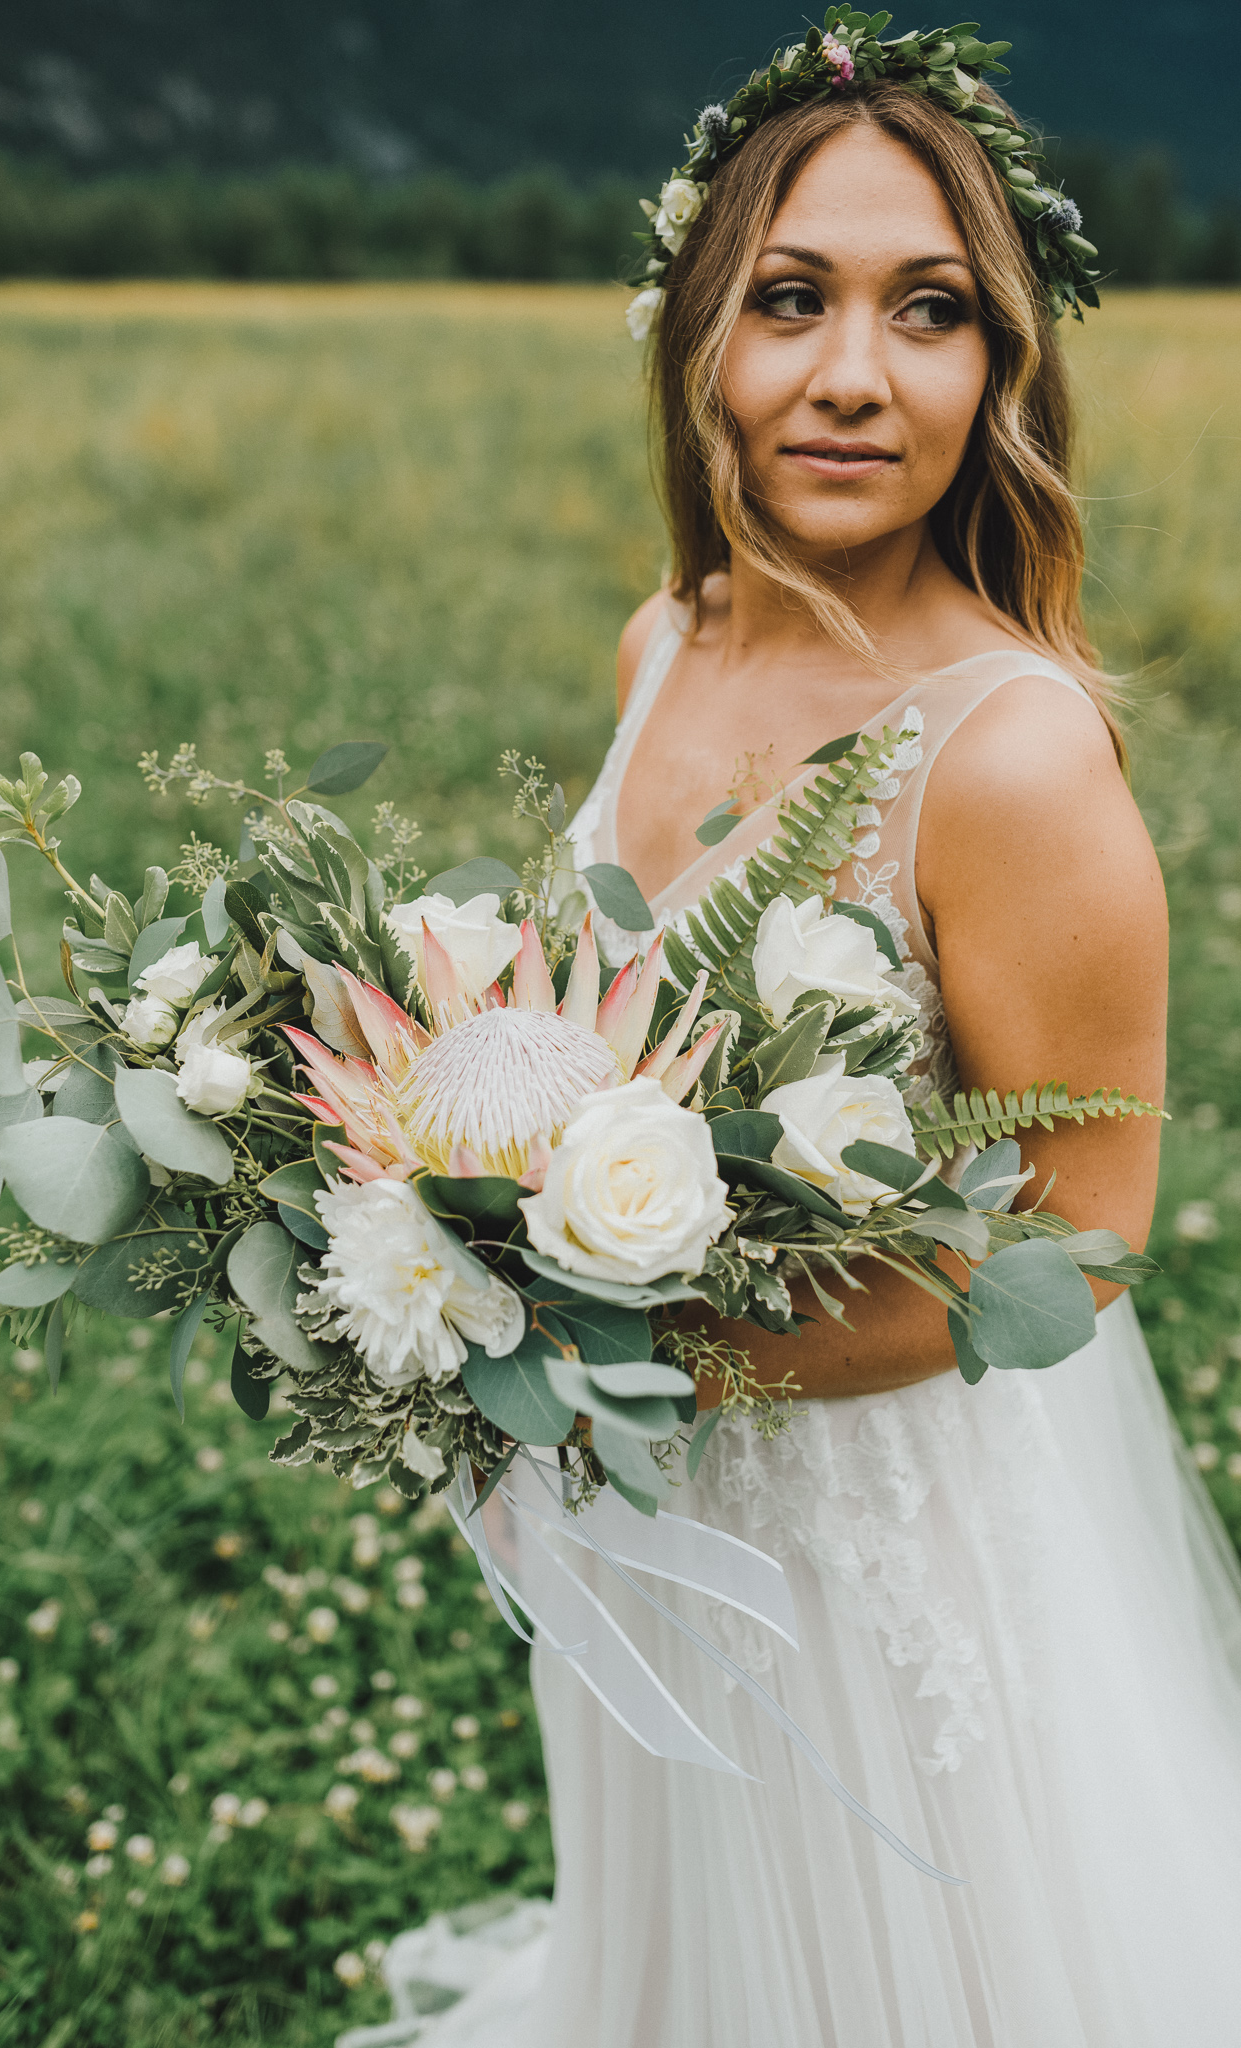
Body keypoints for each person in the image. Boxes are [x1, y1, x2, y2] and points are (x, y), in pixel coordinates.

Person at [342, 45, 1241, 2048]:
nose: (855, 373)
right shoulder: (665, 644)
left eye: (929, 310)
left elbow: (1087, 1233)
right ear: (696, 340)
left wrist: (621, 1364)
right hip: (650, 1511)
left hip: (889, 1538)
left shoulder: (1009, 754)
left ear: (999, 368)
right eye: (791, 295)